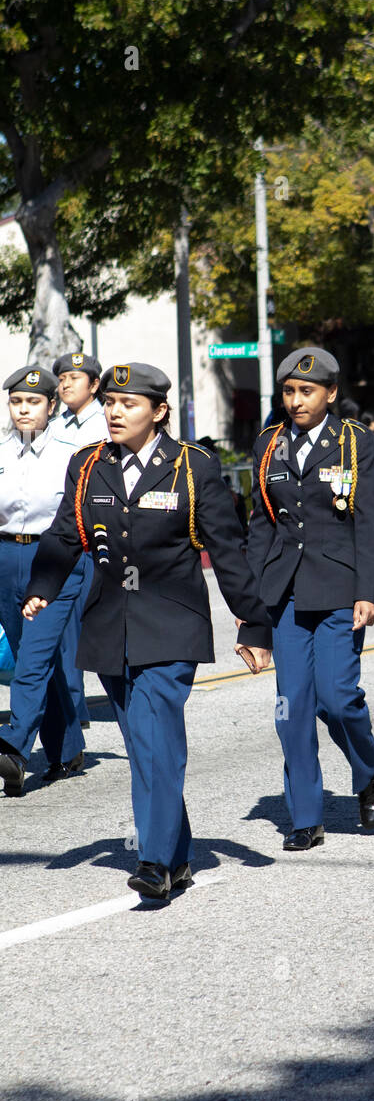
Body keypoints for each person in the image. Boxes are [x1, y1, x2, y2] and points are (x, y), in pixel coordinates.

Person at [22, 362, 271, 899]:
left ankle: (155, 860)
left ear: (158, 411)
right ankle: (178, 856)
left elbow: (227, 550)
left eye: (128, 404)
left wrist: (253, 623)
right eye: (109, 402)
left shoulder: (193, 467)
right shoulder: (86, 465)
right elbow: (67, 532)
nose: (114, 412)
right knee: (143, 746)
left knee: (158, 736)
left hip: (172, 621)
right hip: (110, 623)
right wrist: (43, 584)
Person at [246, 346, 374, 852]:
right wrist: (252, 613)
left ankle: (367, 768)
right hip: (285, 594)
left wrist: (367, 592)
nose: (297, 400)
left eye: (307, 392)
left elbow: (369, 521)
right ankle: (305, 815)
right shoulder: (268, 444)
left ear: (330, 393)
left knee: (338, 699)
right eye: (289, 392)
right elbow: (260, 528)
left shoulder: (354, 442)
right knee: (292, 709)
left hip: (338, 591)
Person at [0, 366, 88, 795]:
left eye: (33, 402)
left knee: (32, 661)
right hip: (5, 555)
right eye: (16, 401)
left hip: (53, 558)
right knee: (29, 656)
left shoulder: (72, 453)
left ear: (51, 407)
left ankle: (13, 748)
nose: (23, 409)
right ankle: (67, 746)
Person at [50, 352, 108, 733]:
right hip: (61, 534)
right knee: (64, 632)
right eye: (62, 378)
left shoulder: (104, 422)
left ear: (94, 385)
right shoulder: (56, 424)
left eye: (75, 377)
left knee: (95, 626)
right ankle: (74, 712)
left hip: (93, 536)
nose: (66, 383)